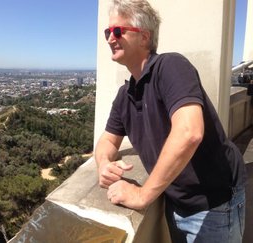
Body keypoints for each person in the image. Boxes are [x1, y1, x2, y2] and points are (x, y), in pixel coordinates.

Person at [95, 0, 247, 242]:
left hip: (213, 205)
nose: (110, 39)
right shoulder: (126, 95)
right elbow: (107, 141)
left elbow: (189, 132)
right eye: (107, 32)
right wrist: (103, 164)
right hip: (175, 201)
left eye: (117, 31)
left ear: (144, 37)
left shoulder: (170, 67)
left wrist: (143, 195)